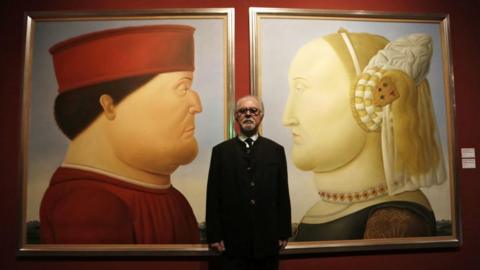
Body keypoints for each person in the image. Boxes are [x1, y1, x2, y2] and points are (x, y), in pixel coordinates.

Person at [40, 25, 203, 244]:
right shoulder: (89, 205)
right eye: (182, 88)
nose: (197, 105)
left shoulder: (172, 199)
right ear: (109, 106)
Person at [283, 29, 446, 241]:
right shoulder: (328, 208)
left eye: (301, 88)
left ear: (368, 100)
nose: (287, 118)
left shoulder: (394, 221)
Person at [206, 95, 292, 270]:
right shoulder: (220, 152)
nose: (248, 114)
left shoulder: (275, 150)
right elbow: (213, 196)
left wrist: (284, 232)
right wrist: (214, 235)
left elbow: (282, 193)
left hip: (267, 242)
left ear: (261, 116)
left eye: (253, 110)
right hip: (232, 244)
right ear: (236, 117)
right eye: (242, 111)